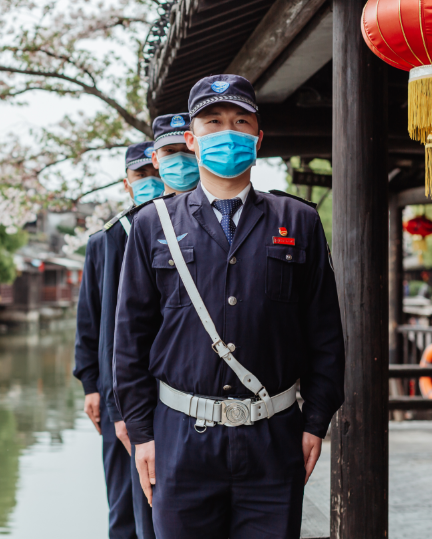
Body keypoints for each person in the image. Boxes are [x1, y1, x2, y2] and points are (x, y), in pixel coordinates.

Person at [113, 74, 345, 538]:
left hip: (274, 436)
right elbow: (130, 339)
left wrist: (315, 422)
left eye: (240, 122)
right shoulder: (151, 226)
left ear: (258, 140)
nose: (227, 133)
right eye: (213, 123)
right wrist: (141, 431)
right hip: (179, 439)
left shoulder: (298, 221)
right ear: (191, 139)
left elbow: (325, 334)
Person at [100, 114, 198, 539]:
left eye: (183, 151)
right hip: (150, 397)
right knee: (144, 503)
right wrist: (118, 406)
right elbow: (118, 331)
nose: (177, 163)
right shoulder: (133, 230)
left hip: (206, 400)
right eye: (167, 154)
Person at [73, 141, 162, 539]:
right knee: (124, 500)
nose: (151, 181)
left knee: (163, 497)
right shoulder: (106, 240)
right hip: (115, 393)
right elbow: (89, 319)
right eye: (141, 176)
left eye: (154, 173)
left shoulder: (184, 229)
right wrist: (90, 383)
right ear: (128, 183)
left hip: (168, 384)